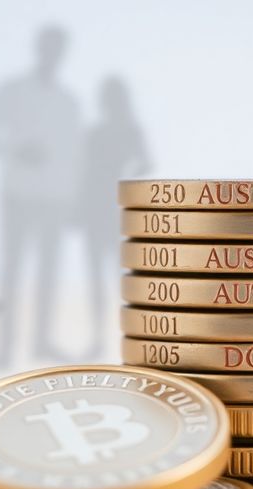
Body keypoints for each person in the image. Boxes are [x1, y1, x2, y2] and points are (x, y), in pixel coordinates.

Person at [0, 25, 80, 368]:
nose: (53, 54)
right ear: (39, 48)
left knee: (48, 271)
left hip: (54, 198)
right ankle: (5, 346)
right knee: (12, 271)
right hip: (17, 194)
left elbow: (74, 153)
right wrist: (16, 151)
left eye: (58, 48)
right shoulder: (12, 91)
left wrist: (74, 199)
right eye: (49, 46)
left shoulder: (68, 102)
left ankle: (41, 342)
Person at [77, 76, 152, 358]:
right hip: (99, 209)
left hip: (116, 210)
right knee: (102, 276)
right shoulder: (105, 132)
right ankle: (100, 337)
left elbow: (146, 161)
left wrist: (125, 180)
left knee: (117, 277)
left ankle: (111, 336)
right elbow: (82, 171)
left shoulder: (124, 131)